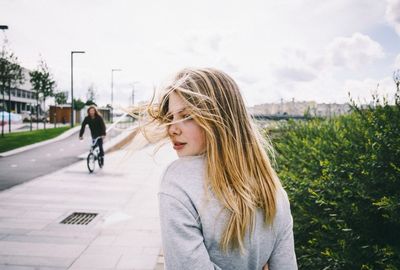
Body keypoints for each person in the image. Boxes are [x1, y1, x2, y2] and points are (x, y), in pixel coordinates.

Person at [146, 68, 297, 269]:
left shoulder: (177, 180)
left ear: (219, 119)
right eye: (171, 117)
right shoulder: (274, 191)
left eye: (187, 116)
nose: (173, 128)